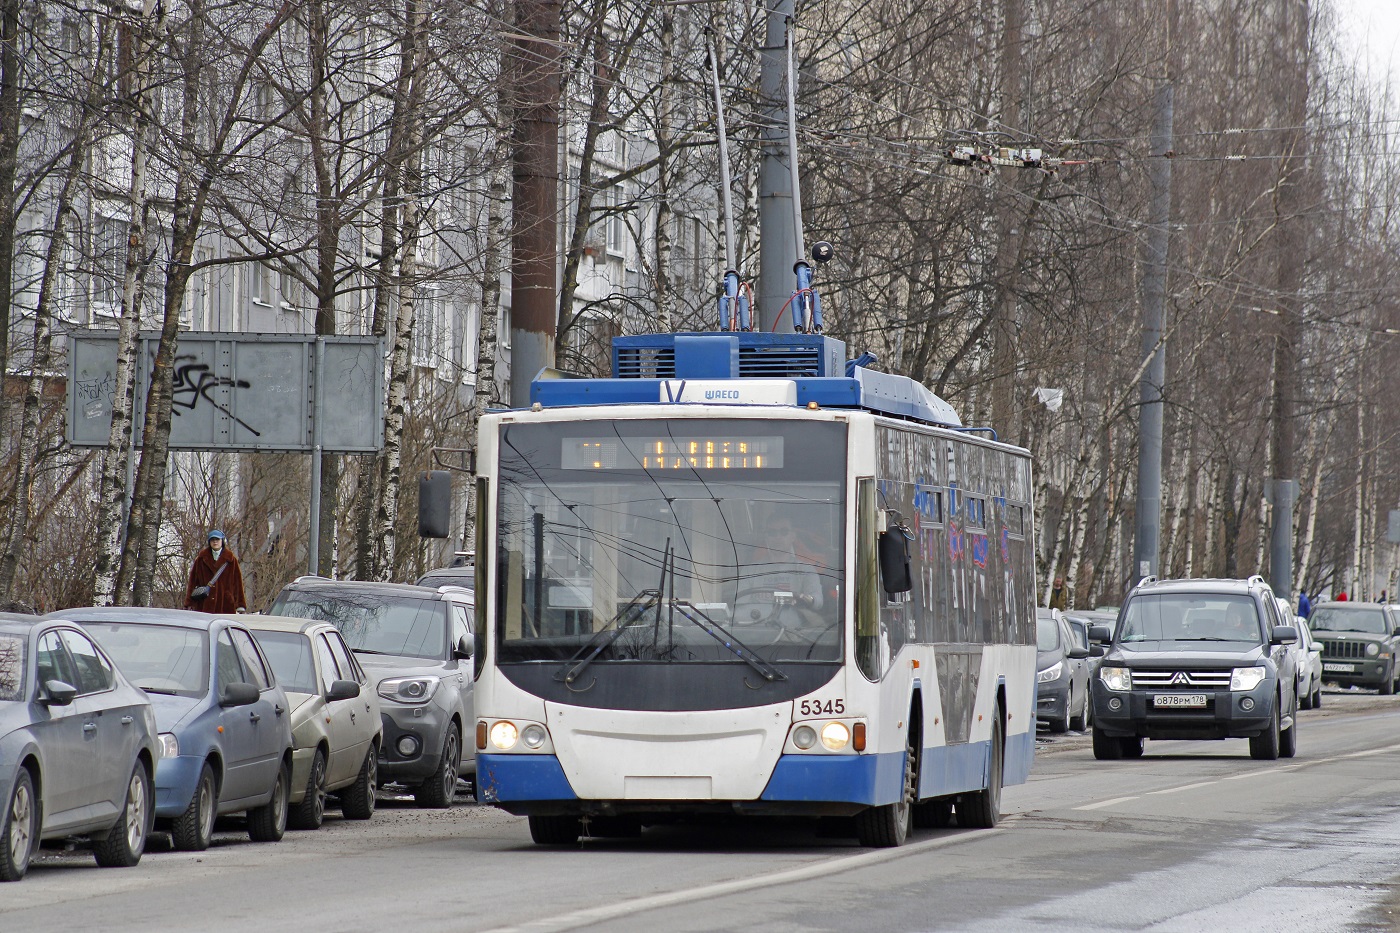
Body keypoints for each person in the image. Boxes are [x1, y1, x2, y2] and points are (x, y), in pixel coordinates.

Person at [184, 530, 247, 614]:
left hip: (225, 604)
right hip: (204, 603)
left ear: (222, 541)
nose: (215, 542)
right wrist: (189, 603)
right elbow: (193, 582)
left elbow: (238, 583)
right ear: (209, 542)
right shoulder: (201, 559)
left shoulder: (231, 560)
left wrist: (240, 605)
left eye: (217, 539)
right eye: (212, 539)